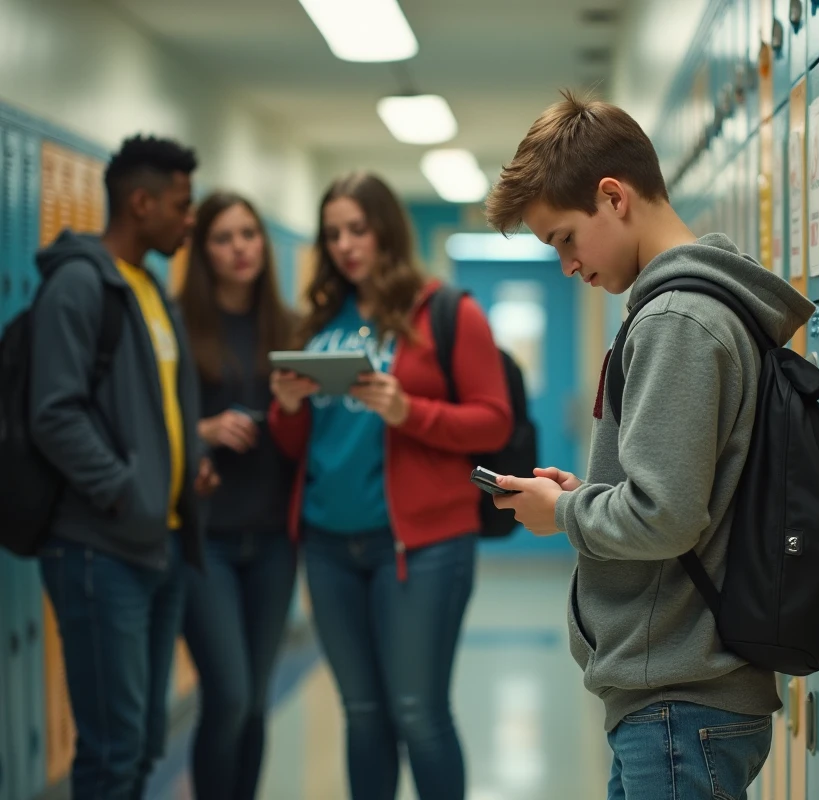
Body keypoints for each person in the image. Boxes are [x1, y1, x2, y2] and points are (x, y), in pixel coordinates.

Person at [484, 92, 815, 800]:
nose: (568, 265)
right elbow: (680, 492)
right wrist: (586, 497)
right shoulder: (685, 309)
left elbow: (665, 516)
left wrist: (565, 516)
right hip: (675, 697)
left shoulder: (678, 320)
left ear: (613, 197)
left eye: (566, 239)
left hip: (679, 699)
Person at [267, 171, 513, 800]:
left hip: (421, 546)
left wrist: (411, 412)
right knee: (362, 712)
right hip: (327, 543)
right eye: (333, 235)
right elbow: (296, 446)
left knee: (417, 711)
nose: (346, 245)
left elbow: (494, 418)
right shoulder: (318, 321)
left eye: (358, 228)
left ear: (386, 231)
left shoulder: (445, 312)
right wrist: (288, 406)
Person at [30, 133, 218, 799]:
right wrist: (126, 490)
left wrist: (183, 467)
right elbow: (54, 412)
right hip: (98, 548)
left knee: (140, 745)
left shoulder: (148, 290)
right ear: (141, 203)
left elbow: (150, 408)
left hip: (156, 541)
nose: (189, 218)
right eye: (181, 204)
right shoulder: (80, 286)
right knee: (112, 749)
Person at [177, 191, 299, 800]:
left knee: (254, 702)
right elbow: (154, 422)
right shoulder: (180, 323)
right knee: (226, 697)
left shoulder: (288, 325)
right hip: (207, 539)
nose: (239, 248)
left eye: (248, 234)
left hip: (274, 536)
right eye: (223, 238)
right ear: (205, 252)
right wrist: (204, 430)